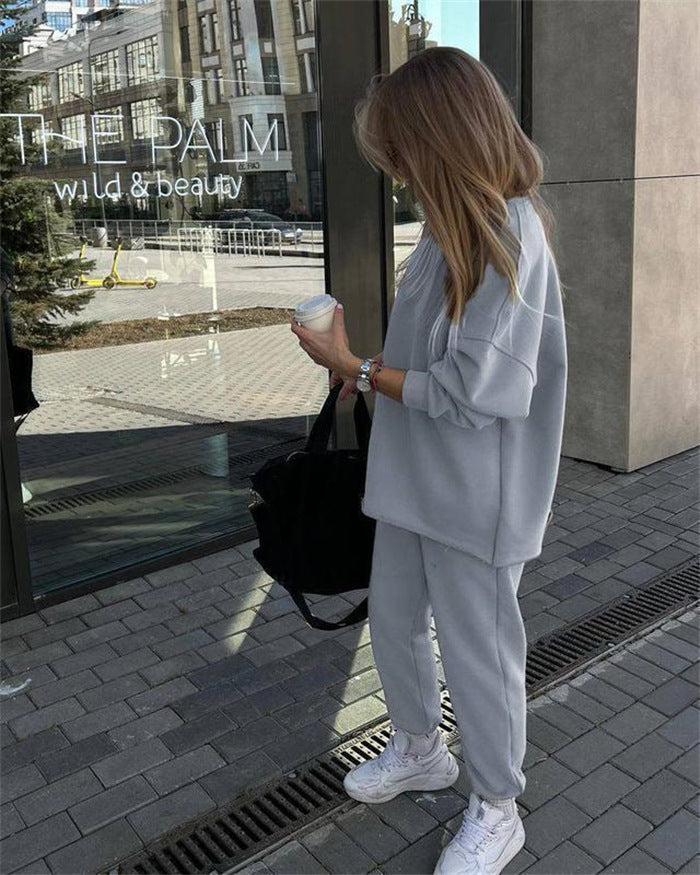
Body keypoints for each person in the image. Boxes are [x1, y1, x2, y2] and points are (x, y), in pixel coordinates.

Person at [291, 45, 567, 875]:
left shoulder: (508, 234)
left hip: (478, 496)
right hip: (414, 477)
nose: (397, 168)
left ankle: (497, 807)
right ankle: (420, 748)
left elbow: (477, 392)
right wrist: (361, 373)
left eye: (401, 148)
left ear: (438, 138)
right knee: (396, 620)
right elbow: (425, 365)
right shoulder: (447, 234)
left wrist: (354, 366)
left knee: (480, 655)